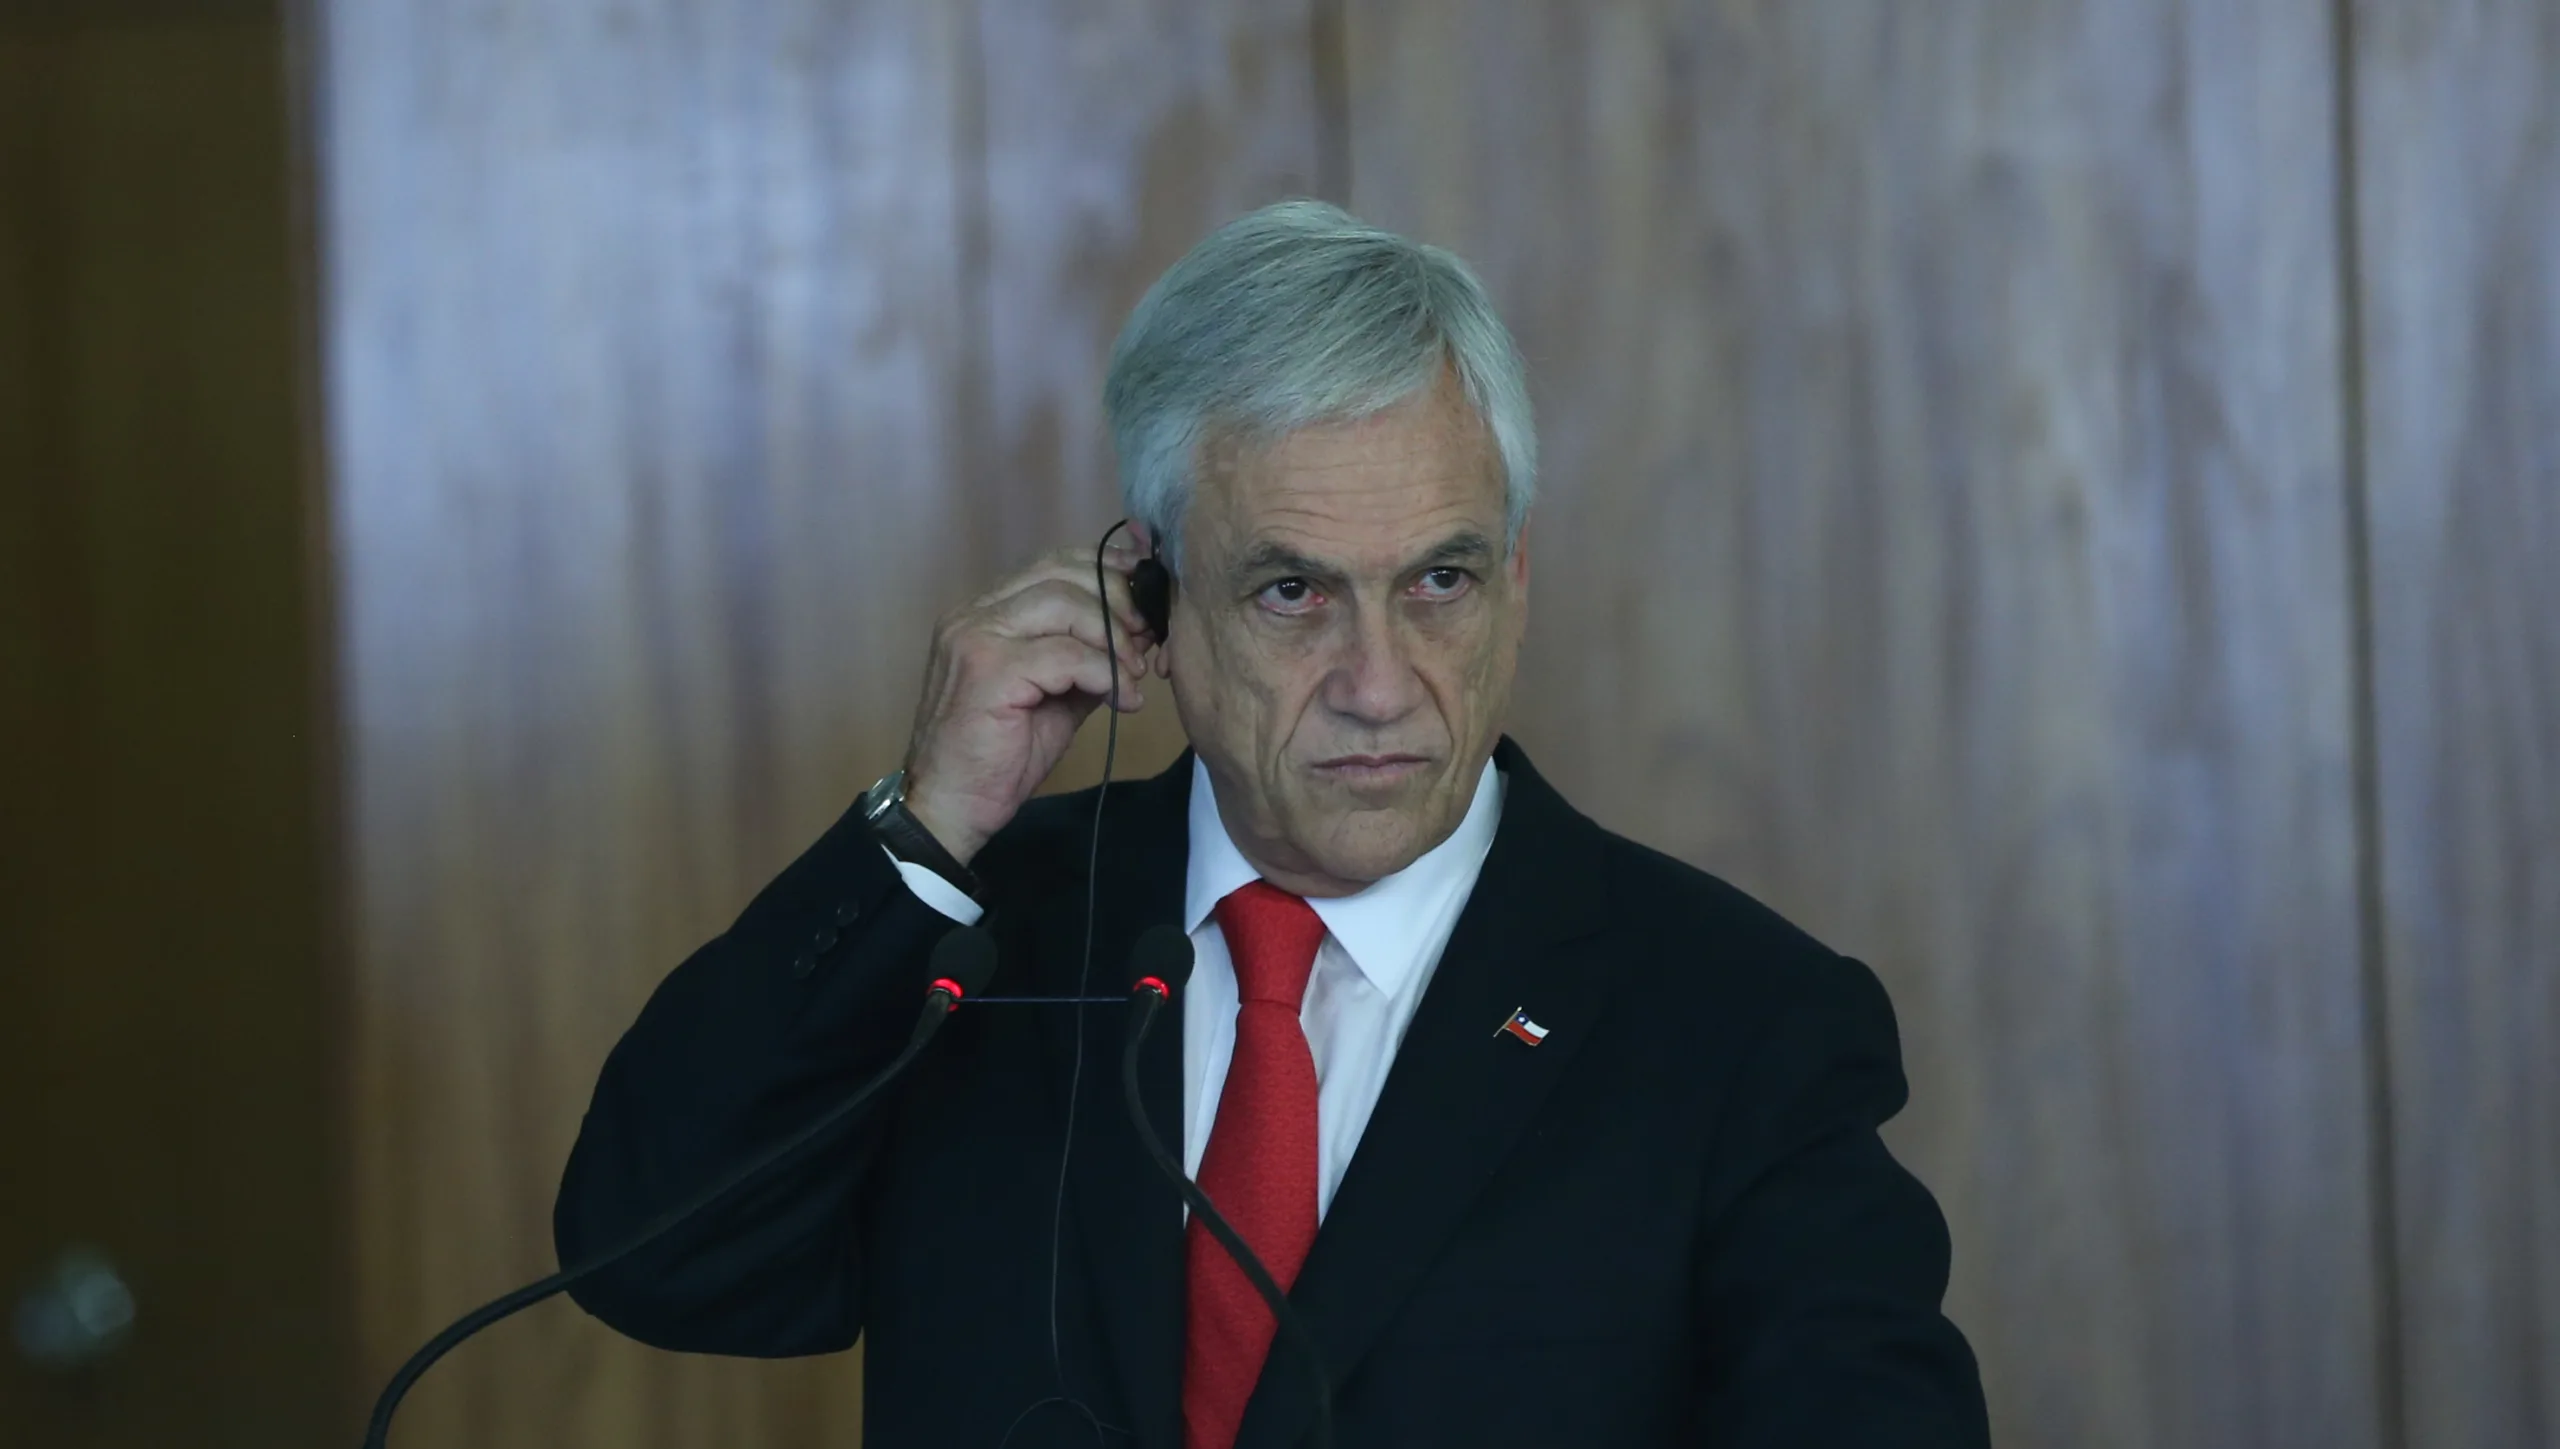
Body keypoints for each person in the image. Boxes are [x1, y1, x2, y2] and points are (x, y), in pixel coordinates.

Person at [553, 200, 1990, 1449]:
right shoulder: (980, 948)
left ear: (1519, 580)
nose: (1379, 686)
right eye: (1294, 592)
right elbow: (654, 1255)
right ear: (1152, 604)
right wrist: (924, 840)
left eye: (1440, 581)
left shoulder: (1740, 1025)